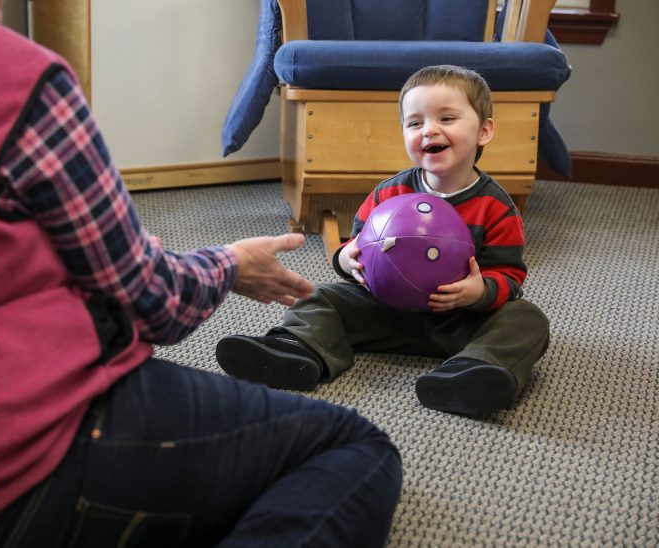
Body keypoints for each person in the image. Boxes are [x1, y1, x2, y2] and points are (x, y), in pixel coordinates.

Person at [0, 0, 404, 546]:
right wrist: (230, 263)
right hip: (1, 461)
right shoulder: (13, 77)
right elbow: (152, 300)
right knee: (356, 451)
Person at [217, 65, 551, 417]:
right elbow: (357, 246)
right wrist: (346, 259)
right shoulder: (389, 193)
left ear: (484, 131)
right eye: (415, 123)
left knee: (527, 319)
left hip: (459, 321)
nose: (430, 130)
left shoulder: (496, 208)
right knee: (321, 295)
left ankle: (471, 371)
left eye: (447, 118)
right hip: (385, 311)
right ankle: (296, 350)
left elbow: (510, 278)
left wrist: (479, 291)